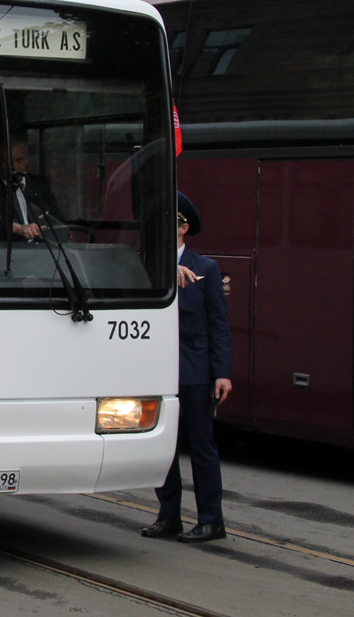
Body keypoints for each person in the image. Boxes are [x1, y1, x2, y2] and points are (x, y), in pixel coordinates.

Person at [142, 192, 233, 543]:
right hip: (159, 368)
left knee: (201, 446)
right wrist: (166, 267)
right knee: (163, 445)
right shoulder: (151, 263)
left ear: (184, 227)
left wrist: (221, 372)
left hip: (194, 367)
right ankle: (169, 516)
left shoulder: (205, 268)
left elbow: (219, 324)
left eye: (170, 223)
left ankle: (211, 519)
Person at [9, 136, 63, 240]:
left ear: (27, 159)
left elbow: (57, 217)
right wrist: (18, 229)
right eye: (10, 162)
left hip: (44, 248)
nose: (15, 167)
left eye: (19, 160)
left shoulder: (40, 185)